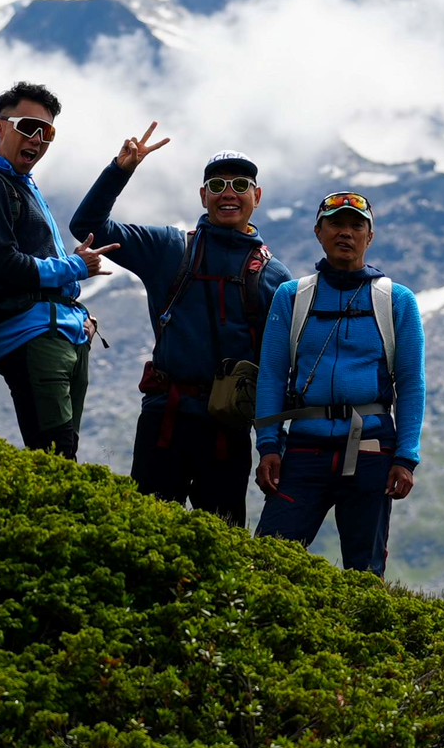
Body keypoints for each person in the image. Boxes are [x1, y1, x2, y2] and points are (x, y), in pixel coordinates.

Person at [69, 130, 292, 524]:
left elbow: (281, 369)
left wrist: (273, 445)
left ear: (256, 197)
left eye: (240, 185)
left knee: (221, 548)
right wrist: (120, 170)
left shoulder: (276, 277)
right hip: (165, 417)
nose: (229, 193)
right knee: (146, 532)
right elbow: (86, 224)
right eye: (218, 185)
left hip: (228, 428)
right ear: (202, 195)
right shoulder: (168, 248)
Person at [253, 190, 427, 576]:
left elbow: (411, 385)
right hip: (302, 450)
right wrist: (268, 445)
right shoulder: (291, 297)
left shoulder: (397, 301)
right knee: (266, 562)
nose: (345, 233)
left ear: (370, 236)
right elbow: (271, 375)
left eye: (356, 225)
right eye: (336, 224)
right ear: (319, 232)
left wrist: (405, 457)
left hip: (371, 451)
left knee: (364, 573)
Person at [0, 82, 117, 456]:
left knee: (62, 450)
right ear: (0, 126)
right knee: (55, 453)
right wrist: (74, 266)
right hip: (30, 336)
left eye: (47, 132)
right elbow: (0, 263)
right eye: (28, 127)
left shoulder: (21, 185)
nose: (38, 139)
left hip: (60, 334)